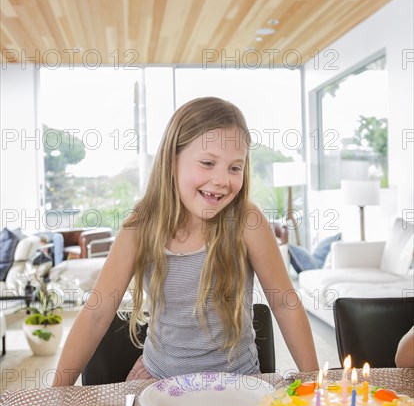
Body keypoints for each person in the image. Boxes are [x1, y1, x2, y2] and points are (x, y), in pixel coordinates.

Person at [52, 97, 318, 386]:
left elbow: (284, 303)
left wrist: (315, 382)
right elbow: (97, 313)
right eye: (207, 163)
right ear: (172, 159)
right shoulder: (140, 226)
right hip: (158, 380)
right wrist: (57, 394)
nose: (221, 180)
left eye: (235, 168)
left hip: (237, 382)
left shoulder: (246, 220)